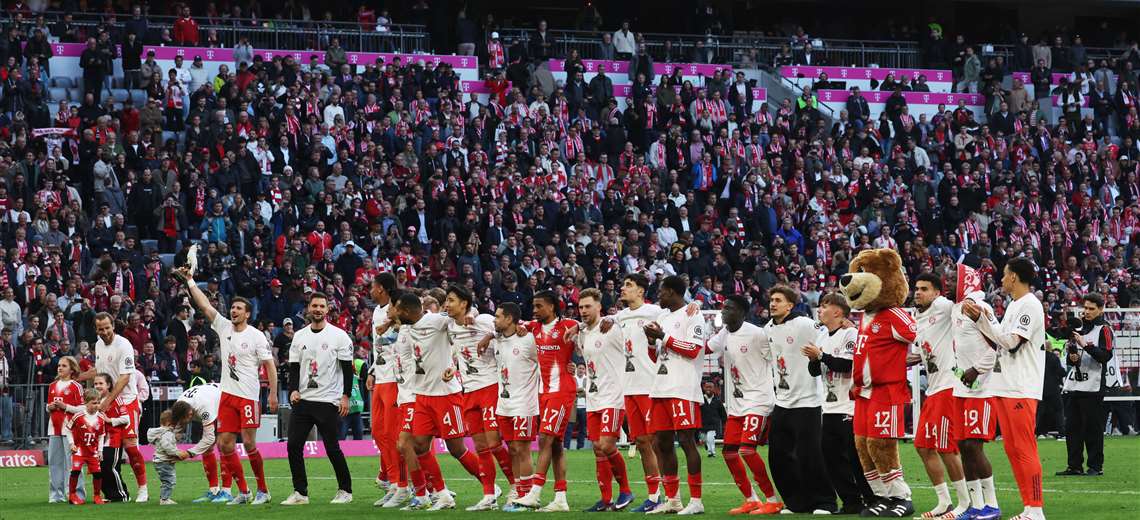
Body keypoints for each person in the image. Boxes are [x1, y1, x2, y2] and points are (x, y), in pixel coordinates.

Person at [174, 266, 278, 505]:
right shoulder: (223, 327)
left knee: (250, 443)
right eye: (232, 307)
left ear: (248, 314)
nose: (233, 311)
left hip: (248, 397)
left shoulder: (256, 336)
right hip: (227, 396)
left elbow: (269, 366)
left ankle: (263, 490)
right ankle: (244, 492)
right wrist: (190, 281)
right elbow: (205, 306)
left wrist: (272, 393)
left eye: (239, 308)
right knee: (224, 443)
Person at [386, 292, 489, 510]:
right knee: (419, 445)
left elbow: (461, 317)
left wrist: (472, 312)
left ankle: (489, 487)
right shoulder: (406, 328)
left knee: (456, 448)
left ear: (406, 311)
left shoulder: (436, 320)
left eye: (396, 309)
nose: (394, 313)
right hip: (422, 395)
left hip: (445, 395)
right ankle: (441, 495)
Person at [962, 257, 1047, 520]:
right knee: (1013, 449)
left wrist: (983, 321)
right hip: (1006, 385)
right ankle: (1028, 508)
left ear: (1014, 277)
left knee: (1024, 448)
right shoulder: (1014, 305)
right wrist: (987, 320)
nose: (1001, 279)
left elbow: (1012, 343)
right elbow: (1001, 340)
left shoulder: (1030, 305)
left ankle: (1035, 509)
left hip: (1020, 387)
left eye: (1004, 274)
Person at [764, 285, 837, 514]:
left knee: (810, 455)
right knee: (778, 457)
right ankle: (797, 502)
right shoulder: (768, 328)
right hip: (782, 401)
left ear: (790, 305)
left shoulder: (804, 324)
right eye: (771, 300)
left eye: (778, 300)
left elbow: (826, 331)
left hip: (808, 401)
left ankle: (825, 501)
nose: (772, 304)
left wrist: (845, 324)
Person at [708, 294, 782, 515]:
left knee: (747, 450)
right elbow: (704, 349)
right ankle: (751, 499)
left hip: (758, 400)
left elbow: (777, 356)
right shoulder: (724, 333)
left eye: (728, 308)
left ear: (741, 312)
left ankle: (772, 500)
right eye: (723, 307)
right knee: (729, 452)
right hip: (737, 404)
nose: (723, 311)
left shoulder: (757, 334)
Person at [281, 292, 355, 505]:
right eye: (314, 306)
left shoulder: (339, 336)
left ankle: (345, 490)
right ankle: (300, 493)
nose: (318, 309)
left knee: (332, 447)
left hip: (328, 401)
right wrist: (293, 389)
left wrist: (346, 396)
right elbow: (294, 367)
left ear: (327, 309)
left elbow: (347, 371)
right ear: (308, 308)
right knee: (293, 446)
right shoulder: (299, 336)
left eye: (322, 306)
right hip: (303, 401)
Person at [641, 275, 707, 515]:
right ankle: (673, 500)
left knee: (687, 441)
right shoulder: (662, 317)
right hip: (660, 387)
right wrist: (651, 342)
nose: (658, 295)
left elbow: (694, 350)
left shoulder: (693, 314)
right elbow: (656, 357)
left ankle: (696, 501)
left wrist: (663, 337)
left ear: (672, 292)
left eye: (662, 291)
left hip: (683, 387)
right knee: (662, 443)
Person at [443, 285, 513, 510]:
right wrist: (452, 367)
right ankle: (489, 495)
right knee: (481, 446)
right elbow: (457, 350)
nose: (447, 305)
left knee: (494, 443)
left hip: (490, 387)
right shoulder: (451, 326)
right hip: (469, 391)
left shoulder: (482, 319)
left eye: (451, 300)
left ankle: (516, 487)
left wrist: (487, 331)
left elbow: (506, 328)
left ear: (464, 303)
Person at [804, 293, 873, 514]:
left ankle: (871, 499)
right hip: (829, 407)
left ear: (837, 311)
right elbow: (814, 372)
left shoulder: (850, 333)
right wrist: (814, 359)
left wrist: (821, 356)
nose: (820, 310)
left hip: (849, 406)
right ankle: (851, 501)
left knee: (854, 456)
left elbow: (847, 365)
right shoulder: (823, 336)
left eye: (825, 306)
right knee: (831, 457)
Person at [512, 291, 580, 512]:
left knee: (545, 439)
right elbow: (519, 323)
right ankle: (560, 498)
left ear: (552, 307)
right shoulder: (535, 327)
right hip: (545, 393)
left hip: (562, 392)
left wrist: (579, 329)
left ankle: (535, 492)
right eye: (534, 306)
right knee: (557, 445)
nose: (535, 310)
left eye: (539, 306)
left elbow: (587, 325)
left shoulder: (567, 325)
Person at [911, 273, 972, 518]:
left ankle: (965, 502)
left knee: (947, 447)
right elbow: (918, 354)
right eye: (916, 288)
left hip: (949, 386)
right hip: (933, 388)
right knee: (923, 446)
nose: (918, 292)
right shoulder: (917, 317)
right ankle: (944, 501)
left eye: (924, 288)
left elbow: (964, 305)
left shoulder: (945, 307)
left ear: (937, 293)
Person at [946, 264, 1004, 520]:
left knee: (973, 445)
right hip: (961, 389)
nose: (947, 283)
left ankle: (992, 504)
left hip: (982, 389)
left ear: (965, 281)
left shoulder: (981, 308)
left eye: (951, 279)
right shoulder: (957, 308)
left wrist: (976, 370)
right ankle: (976, 506)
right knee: (962, 445)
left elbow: (998, 345)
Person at [576, 288, 635, 511]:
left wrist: (613, 318)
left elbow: (629, 326)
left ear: (599, 306)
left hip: (613, 397)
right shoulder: (582, 333)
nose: (583, 311)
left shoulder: (612, 329)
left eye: (588, 306)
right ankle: (606, 499)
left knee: (607, 444)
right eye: (580, 307)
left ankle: (626, 491)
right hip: (593, 398)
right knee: (598, 449)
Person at [613, 274, 663, 511]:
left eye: (628, 285)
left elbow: (678, 316)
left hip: (650, 386)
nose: (623, 288)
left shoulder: (654, 312)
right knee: (642, 442)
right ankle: (653, 495)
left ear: (641, 291)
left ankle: (666, 494)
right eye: (623, 285)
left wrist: (693, 306)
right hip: (629, 386)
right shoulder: (619, 317)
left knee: (655, 442)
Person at [78, 313, 141, 502]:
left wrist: (107, 401)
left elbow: (125, 377)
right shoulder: (98, 344)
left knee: (130, 448)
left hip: (126, 400)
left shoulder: (124, 345)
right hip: (107, 402)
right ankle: (115, 493)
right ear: (96, 330)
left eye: (107, 327)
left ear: (113, 325)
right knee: (106, 451)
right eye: (101, 329)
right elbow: (100, 370)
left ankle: (143, 489)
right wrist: (77, 377)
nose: (104, 332)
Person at [491, 302, 541, 512]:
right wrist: (488, 336)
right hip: (504, 405)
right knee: (512, 450)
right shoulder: (497, 340)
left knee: (522, 449)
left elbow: (545, 360)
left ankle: (528, 497)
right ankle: (519, 492)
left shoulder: (528, 339)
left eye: (498, 316)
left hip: (525, 404)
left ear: (510, 319)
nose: (494, 320)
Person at [1058, 293, 1114, 476]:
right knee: (1072, 429)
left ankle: (1095, 466)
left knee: (1093, 429)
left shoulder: (1104, 329)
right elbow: (1073, 359)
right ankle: (1074, 466)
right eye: (1086, 308)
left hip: (1093, 386)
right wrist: (1072, 357)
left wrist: (1085, 345)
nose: (1087, 312)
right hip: (1074, 385)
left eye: (1092, 309)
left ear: (1101, 309)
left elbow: (1105, 356)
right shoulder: (1078, 328)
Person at [368, 273, 403, 503]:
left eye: (372, 286)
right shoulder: (376, 311)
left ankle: (400, 484)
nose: (370, 290)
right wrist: (371, 369)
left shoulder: (398, 308)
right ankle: (393, 481)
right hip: (380, 377)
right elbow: (377, 346)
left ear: (381, 289)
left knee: (392, 435)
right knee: (378, 432)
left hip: (395, 378)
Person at [65, 387, 128, 505]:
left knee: (98, 474)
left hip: (92, 451)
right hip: (79, 450)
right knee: (75, 471)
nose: (97, 405)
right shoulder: (78, 416)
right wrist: (71, 444)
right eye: (94, 403)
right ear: (86, 403)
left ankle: (97, 496)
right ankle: (72, 495)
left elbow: (101, 436)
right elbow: (68, 429)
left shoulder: (100, 418)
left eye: (98, 403)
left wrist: (100, 451)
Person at [168, 383, 230, 503]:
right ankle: (214, 491)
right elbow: (176, 430)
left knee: (223, 445)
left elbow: (209, 438)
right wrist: (168, 450)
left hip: (224, 401)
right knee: (207, 450)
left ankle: (226, 492)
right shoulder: (179, 405)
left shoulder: (203, 408)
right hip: (210, 396)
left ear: (190, 414)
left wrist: (188, 453)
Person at [46, 356, 86, 503]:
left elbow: (82, 409)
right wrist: (48, 407)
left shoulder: (76, 386)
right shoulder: (52, 386)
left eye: (64, 366)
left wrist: (66, 407)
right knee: (54, 463)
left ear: (72, 369)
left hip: (71, 431)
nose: (60, 368)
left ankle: (77, 494)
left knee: (73, 463)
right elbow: (48, 405)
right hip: (54, 429)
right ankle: (56, 496)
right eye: (59, 365)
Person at [147, 410, 181, 505]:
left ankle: (164, 497)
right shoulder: (167, 433)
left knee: (166, 480)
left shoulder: (160, 433)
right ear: (169, 423)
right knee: (169, 480)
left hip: (160, 460)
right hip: (164, 461)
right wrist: (177, 453)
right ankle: (165, 499)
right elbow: (167, 447)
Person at [699, 382, 724, 458]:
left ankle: (712, 453)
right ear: (704, 388)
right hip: (703, 424)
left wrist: (724, 422)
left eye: (710, 387)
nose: (708, 389)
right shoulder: (700, 400)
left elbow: (722, 413)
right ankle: (706, 445)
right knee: (704, 439)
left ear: (714, 389)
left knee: (710, 438)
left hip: (713, 424)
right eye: (707, 387)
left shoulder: (718, 400)